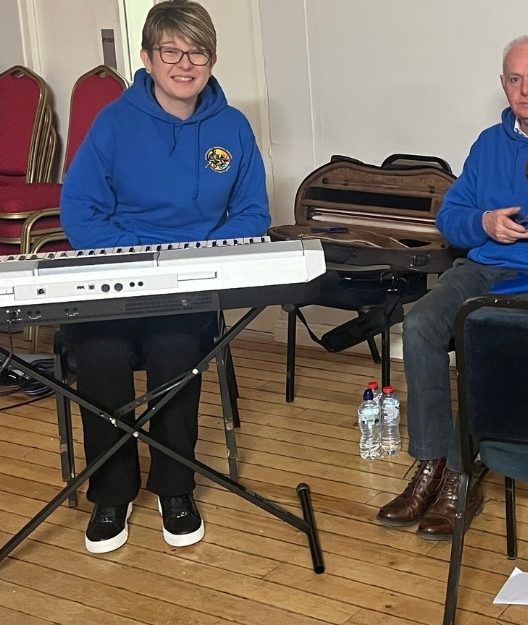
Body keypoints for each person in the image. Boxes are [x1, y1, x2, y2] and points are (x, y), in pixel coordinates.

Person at [376, 35, 528, 540]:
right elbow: (451, 215)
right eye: (514, 79)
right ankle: (431, 463)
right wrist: (483, 223)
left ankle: (465, 477)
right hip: (483, 271)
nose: (525, 90)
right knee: (420, 323)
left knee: (487, 334)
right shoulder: (488, 143)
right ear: (503, 84)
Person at [60, 0, 270, 554]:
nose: (184, 63)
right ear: (148, 58)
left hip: (188, 286)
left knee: (176, 347)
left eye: (196, 51)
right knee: (100, 355)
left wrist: (193, 258)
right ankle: (113, 493)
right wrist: (144, 255)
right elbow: (80, 213)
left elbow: (253, 215)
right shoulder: (114, 123)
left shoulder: (233, 127)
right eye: (170, 51)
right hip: (113, 280)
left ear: (212, 59)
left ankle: (176, 488)